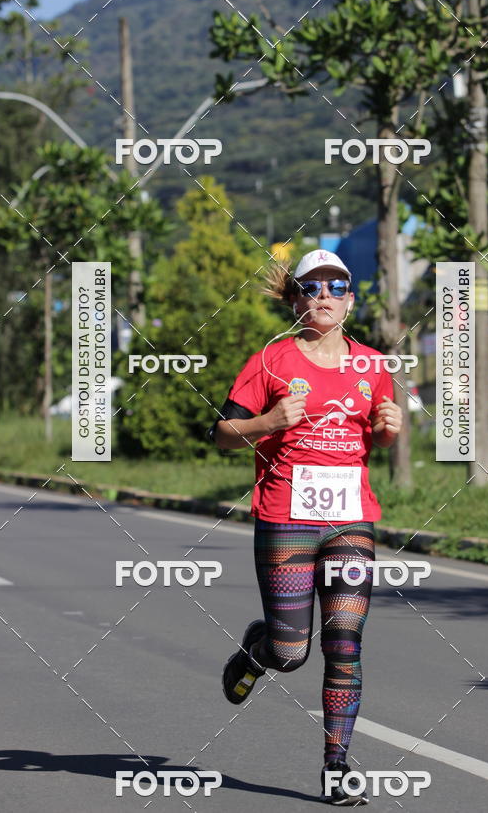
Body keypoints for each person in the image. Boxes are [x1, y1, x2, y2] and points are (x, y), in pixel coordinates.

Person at [207, 248, 403, 806]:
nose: (324, 295)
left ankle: (337, 768)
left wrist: (389, 431)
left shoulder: (373, 366)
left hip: (350, 521)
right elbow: (219, 434)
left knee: (345, 643)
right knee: (292, 652)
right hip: (286, 517)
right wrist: (267, 422)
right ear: (296, 302)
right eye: (312, 287)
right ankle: (257, 652)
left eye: (336, 286)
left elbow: (376, 435)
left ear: (350, 300)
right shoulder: (270, 361)